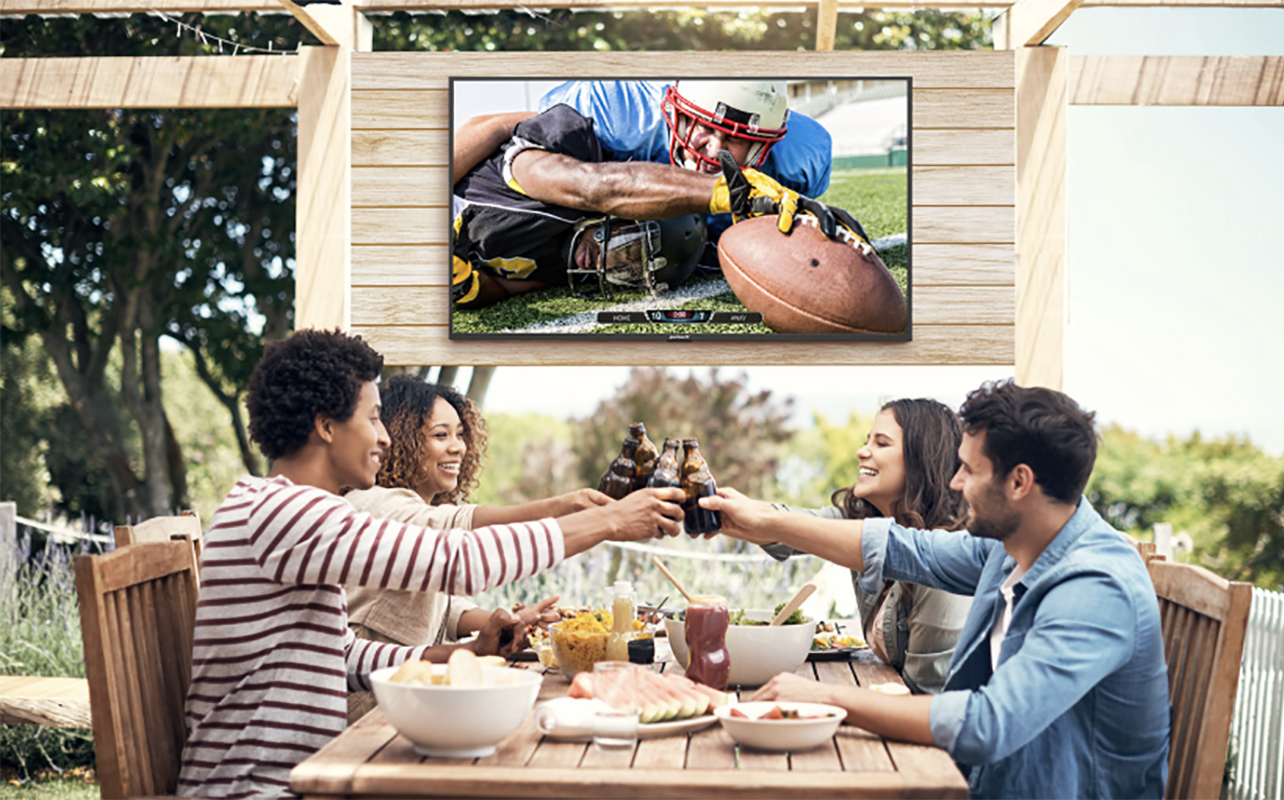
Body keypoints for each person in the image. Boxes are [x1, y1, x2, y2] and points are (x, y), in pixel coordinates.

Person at [177, 330, 686, 798]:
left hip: (306, 776)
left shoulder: (289, 511)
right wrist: (612, 521)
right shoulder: (285, 513)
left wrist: (462, 651)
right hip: (257, 789)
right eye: (373, 417)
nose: (383, 437)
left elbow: (344, 658)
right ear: (326, 425)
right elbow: (455, 559)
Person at [701, 380, 1170, 799]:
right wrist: (765, 519)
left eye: (970, 470)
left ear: (1019, 482)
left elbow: (989, 725)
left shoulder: (1096, 587)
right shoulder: (1012, 547)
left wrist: (829, 698)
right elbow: (905, 548)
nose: (954, 482)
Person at [344, 375, 612, 722]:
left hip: (405, 694)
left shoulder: (416, 509)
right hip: (367, 706)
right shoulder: (376, 503)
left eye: (460, 434)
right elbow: (462, 541)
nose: (458, 447)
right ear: (400, 442)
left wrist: (514, 623)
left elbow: (443, 607)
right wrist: (566, 507)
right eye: (440, 435)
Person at [451, 103, 859, 310]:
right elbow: (598, 188)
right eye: (627, 248)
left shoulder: (581, 265)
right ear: (621, 216)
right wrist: (724, 190)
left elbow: (507, 287)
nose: (611, 266)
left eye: (629, 268)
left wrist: (468, 289)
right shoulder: (560, 167)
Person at [762, 399, 973, 694]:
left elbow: (926, 696)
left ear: (920, 459)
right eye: (866, 441)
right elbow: (784, 525)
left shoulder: (944, 560)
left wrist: (825, 697)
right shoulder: (862, 519)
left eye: (882, 443)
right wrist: (711, 507)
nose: (862, 452)